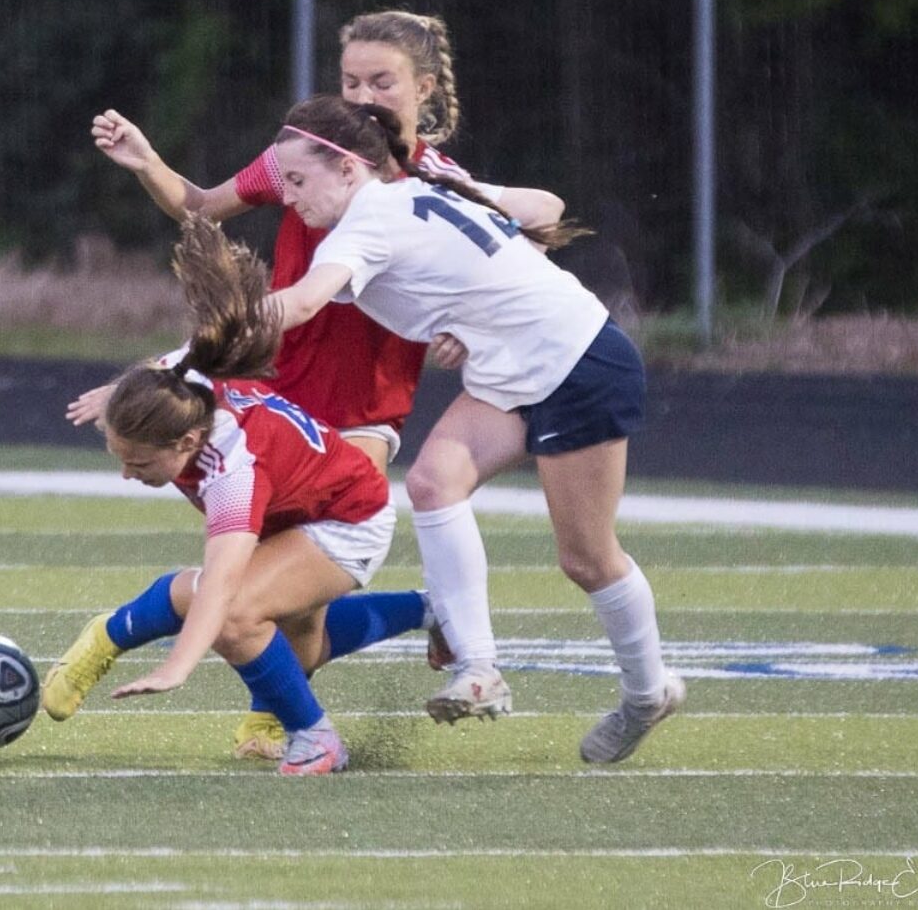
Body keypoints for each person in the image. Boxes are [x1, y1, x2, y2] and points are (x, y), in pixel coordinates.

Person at [83, 11, 563, 759]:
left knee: (295, 581)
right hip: (274, 389)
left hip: (367, 406)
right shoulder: (303, 158)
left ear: (424, 89)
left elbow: (537, 220)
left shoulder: (430, 181)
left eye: (383, 81)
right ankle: (317, 692)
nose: (364, 93)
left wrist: (464, 319)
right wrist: (148, 162)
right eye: (350, 80)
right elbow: (204, 208)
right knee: (279, 587)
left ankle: (293, 721)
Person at [258, 95, 683, 764]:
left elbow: (307, 301)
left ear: (346, 167)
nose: (288, 196)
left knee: (587, 559)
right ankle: (479, 668)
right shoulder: (412, 189)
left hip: (576, 361)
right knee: (432, 483)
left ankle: (647, 692)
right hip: (515, 369)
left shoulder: (367, 221)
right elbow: (535, 211)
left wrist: (226, 321)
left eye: (298, 180)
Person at [42, 215, 433, 776]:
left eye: (141, 463)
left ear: (188, 441)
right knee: (298, 650)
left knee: (236, 616)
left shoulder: (232, 468)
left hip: (347, 519)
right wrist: (118, 393)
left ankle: (317, 739)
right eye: (119, 458)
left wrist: (178, 666)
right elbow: (163, 365)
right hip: (295, 502)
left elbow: (222, 584)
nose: (128, 476)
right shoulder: (180, 384)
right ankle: (430, 609)